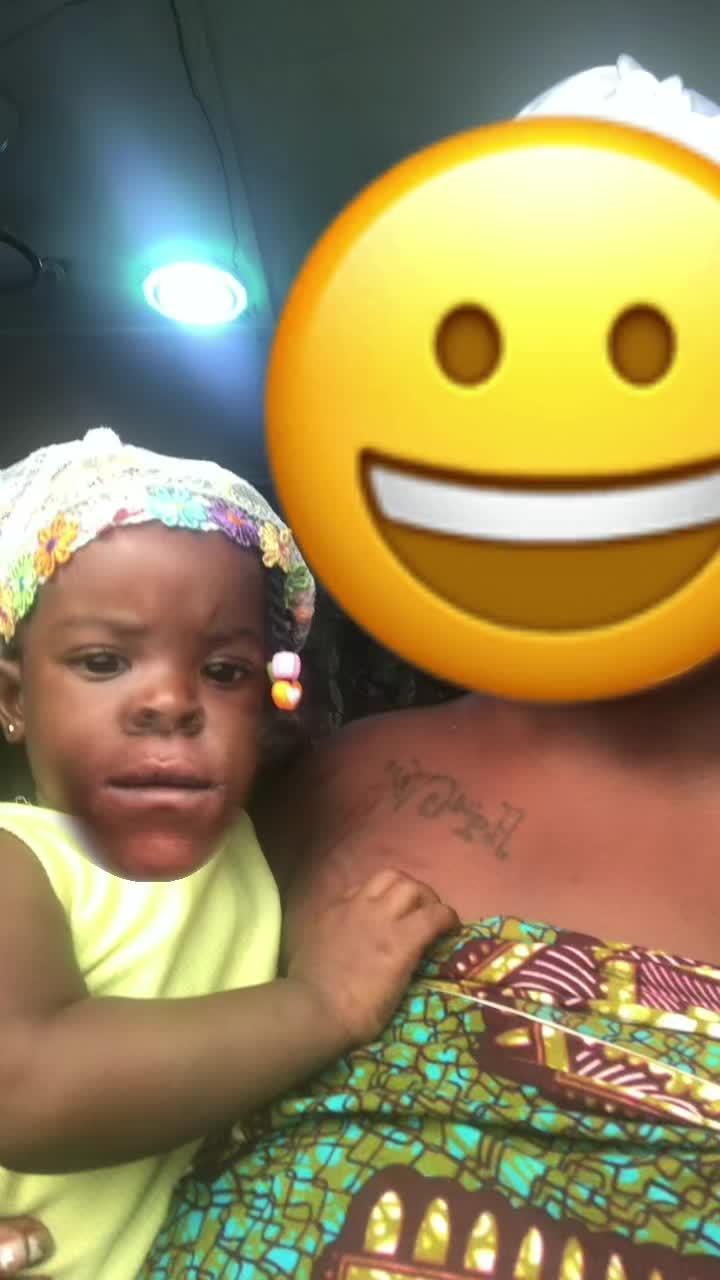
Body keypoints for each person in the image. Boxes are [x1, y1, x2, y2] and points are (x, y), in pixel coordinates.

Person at [0, 427, 455, 1280]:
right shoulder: (21, 862)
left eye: (223, 672)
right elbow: (24, 1086)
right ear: (13, 700)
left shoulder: (242, 827)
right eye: (104, 661)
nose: (171, 700)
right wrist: (322, 1003)